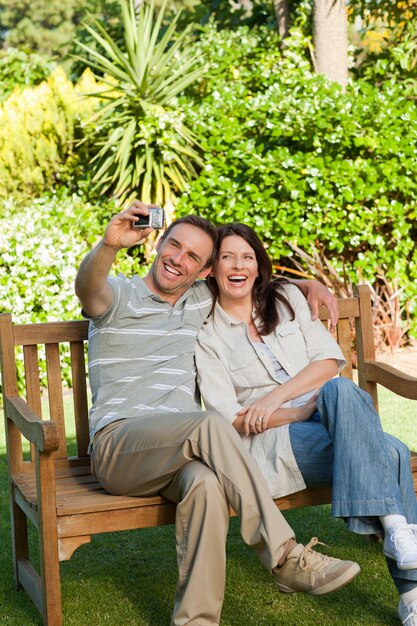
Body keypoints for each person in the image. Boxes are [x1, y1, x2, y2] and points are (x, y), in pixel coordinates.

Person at [75, 201, 360, 626]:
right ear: (159, 245)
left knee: (206, 484)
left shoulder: (198, 299)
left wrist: (306, 284)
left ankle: (196, 621)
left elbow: (248, 274)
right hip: (121, 445)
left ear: (204, 271)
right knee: (209, 423)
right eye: (174, 246)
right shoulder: (118, 295)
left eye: (193, 256)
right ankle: (285, 557)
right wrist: (108, 245)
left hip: (180, 454)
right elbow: (88, 287)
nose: (178, 259)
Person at [195, 222, 417, 626]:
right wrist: (297, 410)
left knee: (338, 391)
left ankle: (400, 545)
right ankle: (408, 576)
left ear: (260, 267)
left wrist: (275, 396)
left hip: (329, 413)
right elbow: (233, 418)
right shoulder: (206, 332)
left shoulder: (286, 299)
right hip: (277, 438)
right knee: (393, 452)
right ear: (212, 268)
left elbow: (330, 361)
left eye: (247, 256)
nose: (237, 265)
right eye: (227, 257)